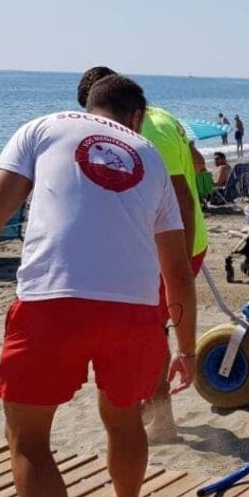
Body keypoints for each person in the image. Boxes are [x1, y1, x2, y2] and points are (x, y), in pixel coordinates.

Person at [0, 75, 196, 497]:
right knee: (125, 420)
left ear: (88, 107)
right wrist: (188, 347)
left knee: (30, 443)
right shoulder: (151, 155)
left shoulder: (41, 128)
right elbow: (177, 270)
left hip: (50, 303)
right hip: (134, 311)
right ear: (135, 117)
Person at [76, 66, 208, 444]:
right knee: (149, 326)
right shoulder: (163, 117)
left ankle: (163, 421)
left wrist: (175, 265)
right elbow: (197, 162)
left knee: (151, 331)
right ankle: (151, 405)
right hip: (175, 242)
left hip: (174, 247)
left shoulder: (146, 133)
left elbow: (180, 194)